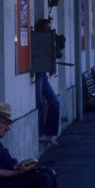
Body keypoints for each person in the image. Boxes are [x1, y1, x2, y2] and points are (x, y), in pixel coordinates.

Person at [33, 18, 61, 146]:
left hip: (42, 73)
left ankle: (50, 134)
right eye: (47, 29)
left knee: (55, 102)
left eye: (50, 29)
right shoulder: (37, 40)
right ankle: (40, 134)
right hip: (37, 73)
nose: (49, 31)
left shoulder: (47, 41)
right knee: (39, 104)